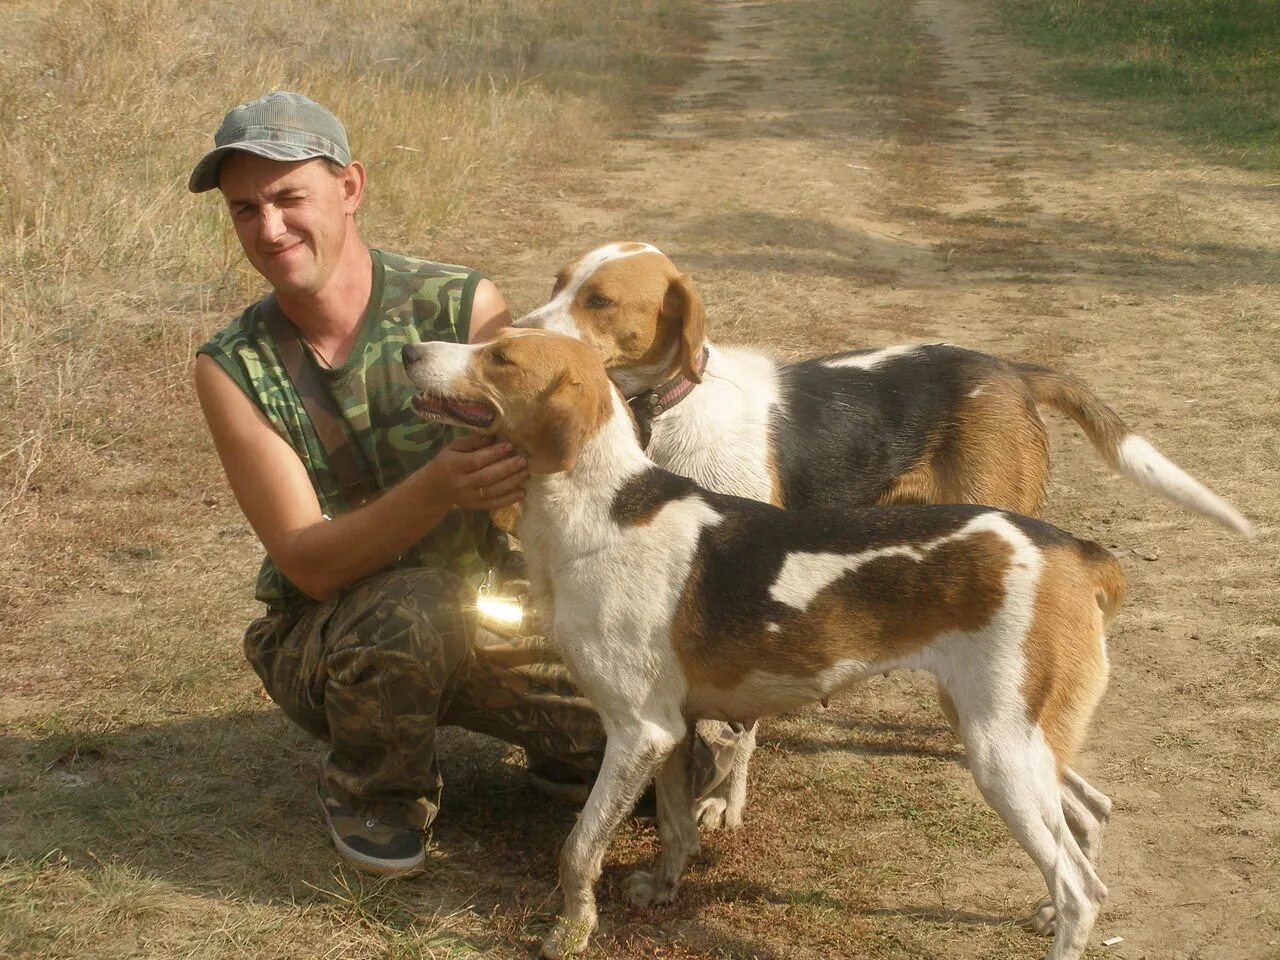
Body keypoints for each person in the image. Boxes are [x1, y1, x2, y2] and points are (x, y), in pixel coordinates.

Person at [189, 91, 741, 877]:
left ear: (350, 189)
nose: (269, 228)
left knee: (691, 742)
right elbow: (307, 564)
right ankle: (377, 788)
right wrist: (439, 489)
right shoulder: (234, 367)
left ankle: (560, 751)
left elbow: (565, 470)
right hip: (338, 633)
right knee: (411, 608)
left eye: (288, 198)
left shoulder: (463, 304)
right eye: (245, 209)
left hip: (490, 604)